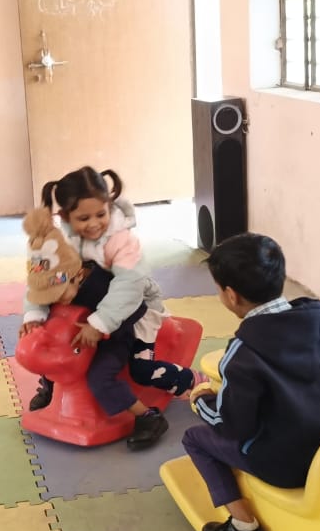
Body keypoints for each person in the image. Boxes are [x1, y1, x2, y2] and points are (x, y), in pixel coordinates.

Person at [183, 233, 320, 531]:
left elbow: (233, 427)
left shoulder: (243, 352)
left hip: (283, 465)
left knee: (194, 439)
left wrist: (201, 400)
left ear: (231, 295)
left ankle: (243, 528)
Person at [21, 167, 195, 449]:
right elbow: (41, 280)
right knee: (55, 349)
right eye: (83, 218)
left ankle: (150, 415)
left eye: (100, 214)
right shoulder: (55, 241)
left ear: (109, 205)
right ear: (64, 216)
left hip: (125, 317)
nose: (94, 224)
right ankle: (50, 386)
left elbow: (129, 286)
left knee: (115, 374)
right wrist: (34, 315)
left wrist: (100, 324)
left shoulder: (122, 241)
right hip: (80, 313)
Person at [24, 206, 197, 402]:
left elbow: (131, 308)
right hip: (97, 313)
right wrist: (33, 318)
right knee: (52, 343)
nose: (53, 299)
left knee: (141, 370)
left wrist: (102, 330)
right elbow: (34, 294)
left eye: (57, 294)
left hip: (138, 310)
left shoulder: (103, 282)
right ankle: (49, 388)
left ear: (78, 276)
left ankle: (186, 379)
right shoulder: (52, 266)